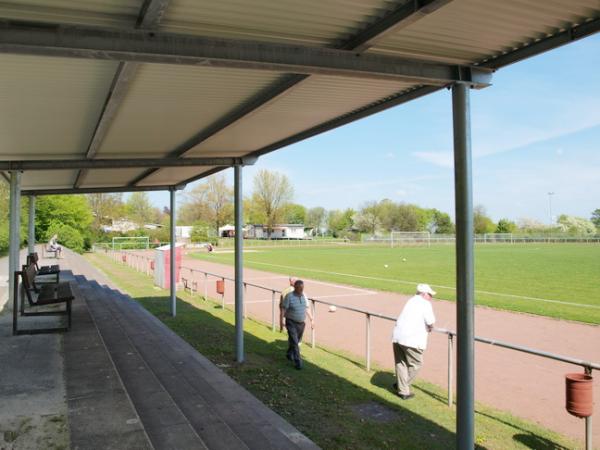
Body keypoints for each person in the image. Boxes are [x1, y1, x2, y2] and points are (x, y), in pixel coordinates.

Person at [391, 283, 436, 400]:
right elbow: (430, 321)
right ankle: (403, 387)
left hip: (397, 336)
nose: (431, 297)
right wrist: (431, 327)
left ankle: (402, 387)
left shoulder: (411, 300)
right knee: (416, 364)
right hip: (411, 339)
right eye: (430, 294)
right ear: (424, 294)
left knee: (401, 363)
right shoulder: (425, 303)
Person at [281, 279, 313, 369]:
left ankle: (289, 353)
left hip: (301, 323)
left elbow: (307, 308)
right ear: (295, 287)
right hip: (291, 322)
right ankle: (298, 362)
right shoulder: (289, 296)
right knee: (295, 342)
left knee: (295, 341)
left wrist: (312, 319)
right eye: (299, 288)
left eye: (302, 288)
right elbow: (284, 309)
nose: (301, 290)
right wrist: (281, 321)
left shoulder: (304, 296)